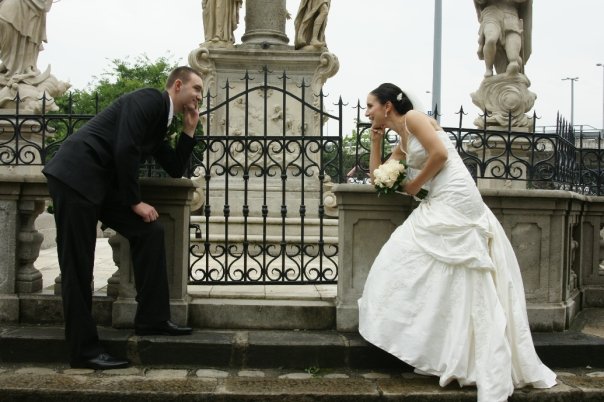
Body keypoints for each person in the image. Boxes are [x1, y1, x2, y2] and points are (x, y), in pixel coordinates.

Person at [357, 83, 556, 401]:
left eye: (370, 106)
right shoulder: (401, 139)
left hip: (455, 195)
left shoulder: (414, 119)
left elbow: (439, 154)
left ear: (387, 106)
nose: (367, 112)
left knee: (451, 262)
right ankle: (451, 350)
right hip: (438, 197)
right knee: (413, 260)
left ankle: (477, 355)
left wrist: (414, 185)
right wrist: (375, 142)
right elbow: (377, 176)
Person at [42, 66, 203, 370]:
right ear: (178, 85)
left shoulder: (160, 122)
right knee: (77, 265)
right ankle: (83, 351)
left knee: (149, 232)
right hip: (76, 176)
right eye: (196, 89)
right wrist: (134, 201)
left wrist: (188, 130)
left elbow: (174, 167)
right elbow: (125, 147)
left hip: (101, 185)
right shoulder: (149, 99)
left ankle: (152, 318)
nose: (199, 97)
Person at [474, 0, 532, 77]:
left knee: (513, 61)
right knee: (491, 39)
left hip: (510, 13)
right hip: (491, 12)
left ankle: (513, 72)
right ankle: (489, 69)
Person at [0, 0, 53, 77]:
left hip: (32, 5)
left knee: (26, 31)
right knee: (3, 22)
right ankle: (8, 62)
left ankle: (20, 65)